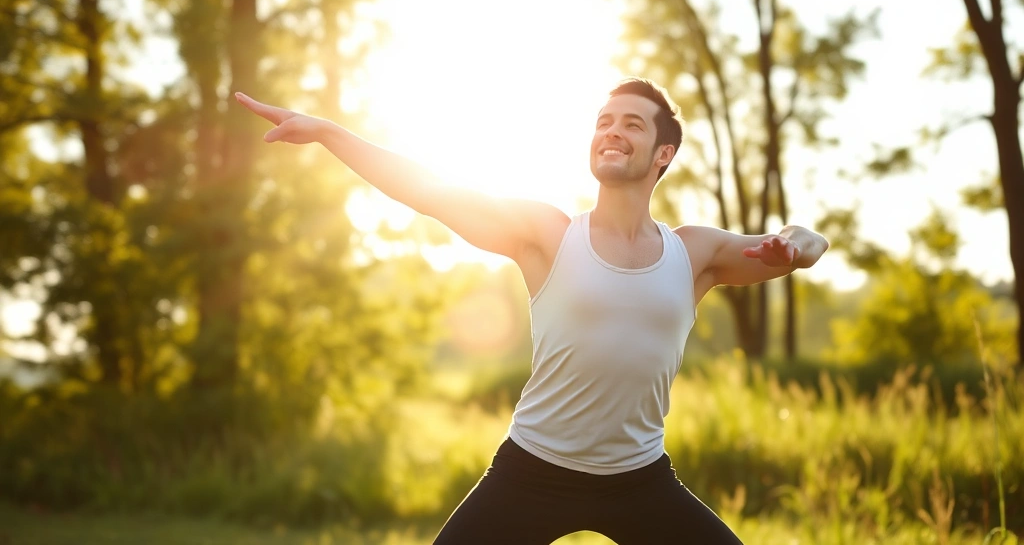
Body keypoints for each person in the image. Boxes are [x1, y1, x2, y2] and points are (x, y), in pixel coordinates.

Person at [235, 77, 828, 544]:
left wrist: (797, 246)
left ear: (662, 152)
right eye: (603, 122)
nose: (611, 131)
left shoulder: (694, 252)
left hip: (639, 477)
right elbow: (430, 190)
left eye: (631, 124)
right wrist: (329, 133)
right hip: (534, 470)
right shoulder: (547, 234)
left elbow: (805, 242)